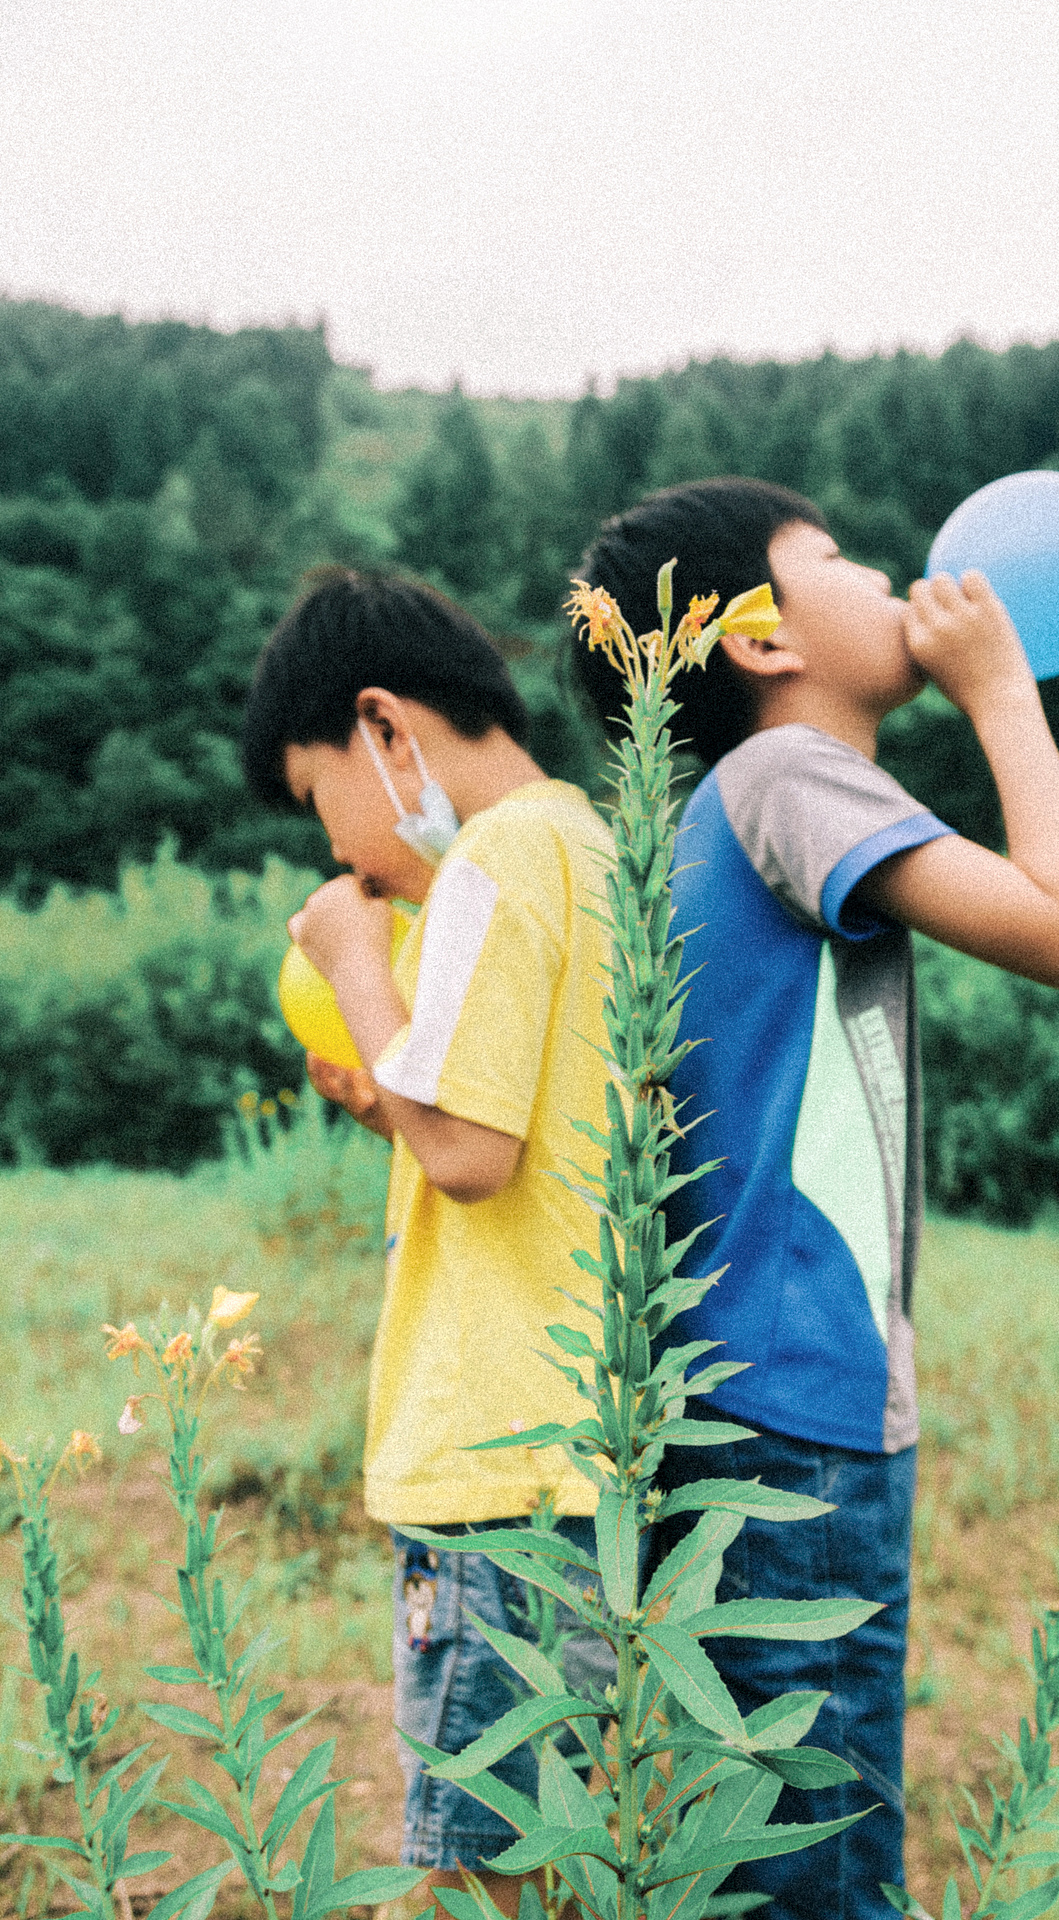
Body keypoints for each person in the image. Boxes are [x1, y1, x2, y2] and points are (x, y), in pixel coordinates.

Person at [574, 478, 1059, 1920]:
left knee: (763, 1862)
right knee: (820, 1878)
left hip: (747, 1393)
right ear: (756, 636)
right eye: (839, 556)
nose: (895, 570)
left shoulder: (721, 805)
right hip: (799, 1403)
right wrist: (1003, 691)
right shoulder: (786, 778)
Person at [242, 568, 613, 1919]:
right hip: (588, 1448)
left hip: (490, 1473)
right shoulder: (584, 843)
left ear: (383, 727)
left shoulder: (487, 862)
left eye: (316, 797)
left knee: (477, 1869)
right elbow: (522, 1130)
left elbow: (468, 1154)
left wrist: (352, 960)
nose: (340, 856)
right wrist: (384, 1084)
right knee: (570, 1850)